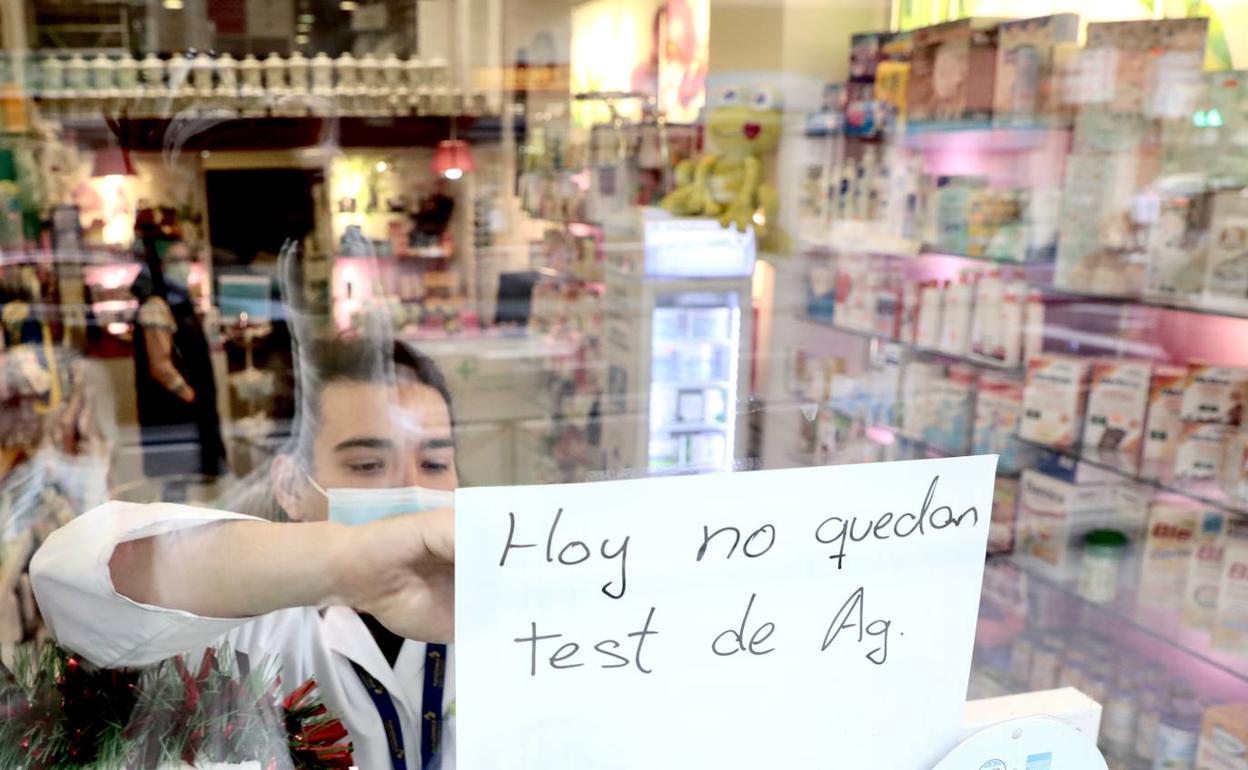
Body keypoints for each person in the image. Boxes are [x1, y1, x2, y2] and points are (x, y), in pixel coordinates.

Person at [30, 333, 459, 770]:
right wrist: (351, 560)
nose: (413, 488)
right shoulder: (237, 629)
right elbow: (73, 582)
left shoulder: (510, 612)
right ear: (291, 487)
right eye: (368, 465)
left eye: (435, 464)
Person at [131, 236, 227, 483]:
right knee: (177, 476)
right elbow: (160, 366)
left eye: (186, 259)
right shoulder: (156, 306)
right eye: (176, 260)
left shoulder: (179, 300)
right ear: (161, 264)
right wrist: (192, 398)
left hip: (188, 406)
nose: (183, 266)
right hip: (174, 410)